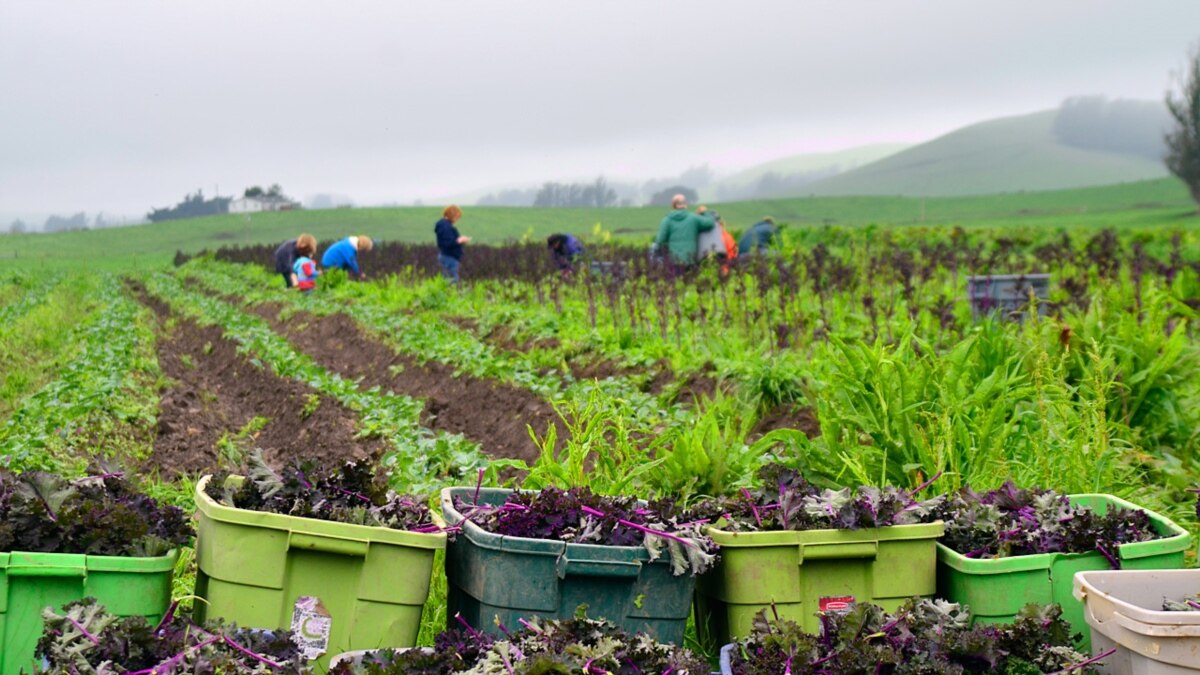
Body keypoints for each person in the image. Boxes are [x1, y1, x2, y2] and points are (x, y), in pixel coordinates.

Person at [652, 194, 715, 270]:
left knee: (676, 280)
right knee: (691, 280)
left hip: (674, 261)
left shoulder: (666, 220)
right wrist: (704, 213)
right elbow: (709, 223)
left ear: (673, 205)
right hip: (690, 259)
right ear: (685, 204)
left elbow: (660, 240)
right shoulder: (693, 218)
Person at [434, 205, 470, 282]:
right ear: (452, 215)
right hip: (449, 258)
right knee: (452, 282)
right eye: (457, 217)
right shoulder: (445, 226)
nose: (457, 219)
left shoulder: (443, 225)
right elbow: (448, 243)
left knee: (446, 280)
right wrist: (460, 240)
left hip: (446, 256)